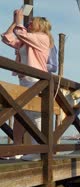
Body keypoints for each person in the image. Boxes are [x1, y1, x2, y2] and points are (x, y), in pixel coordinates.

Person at [1, 9, 54, 161]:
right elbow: (7, 39)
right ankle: (24, 149)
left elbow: (21, 33)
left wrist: (19, 21)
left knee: (36, 115)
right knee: (22, 115)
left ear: (40, 25)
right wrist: (14, 22)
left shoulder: (43, 38)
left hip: (36, 80)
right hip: (24, 80)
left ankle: (39, 151)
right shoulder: (26, 40)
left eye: (32, 21)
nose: (29, 23)